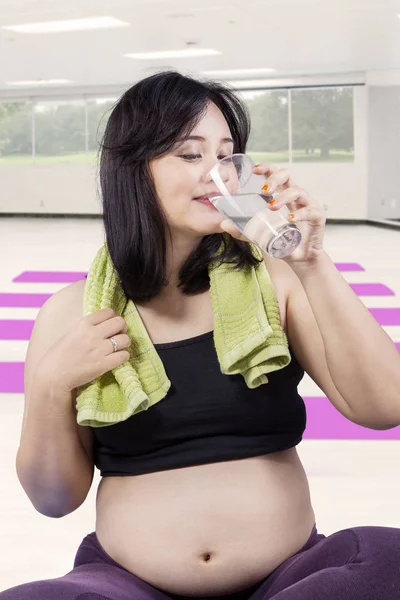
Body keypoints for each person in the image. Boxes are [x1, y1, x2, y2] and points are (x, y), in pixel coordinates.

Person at [2, 71, 400, 600]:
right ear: (133, 170)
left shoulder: (275, 281)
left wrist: (312, 263)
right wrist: (52, 385)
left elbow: (384, 406)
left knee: (384, 561)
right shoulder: (71, 314)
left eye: (227, 154)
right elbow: (53, 499)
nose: (219, 175)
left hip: (290, 577)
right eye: (190, 155)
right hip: (127, 585)